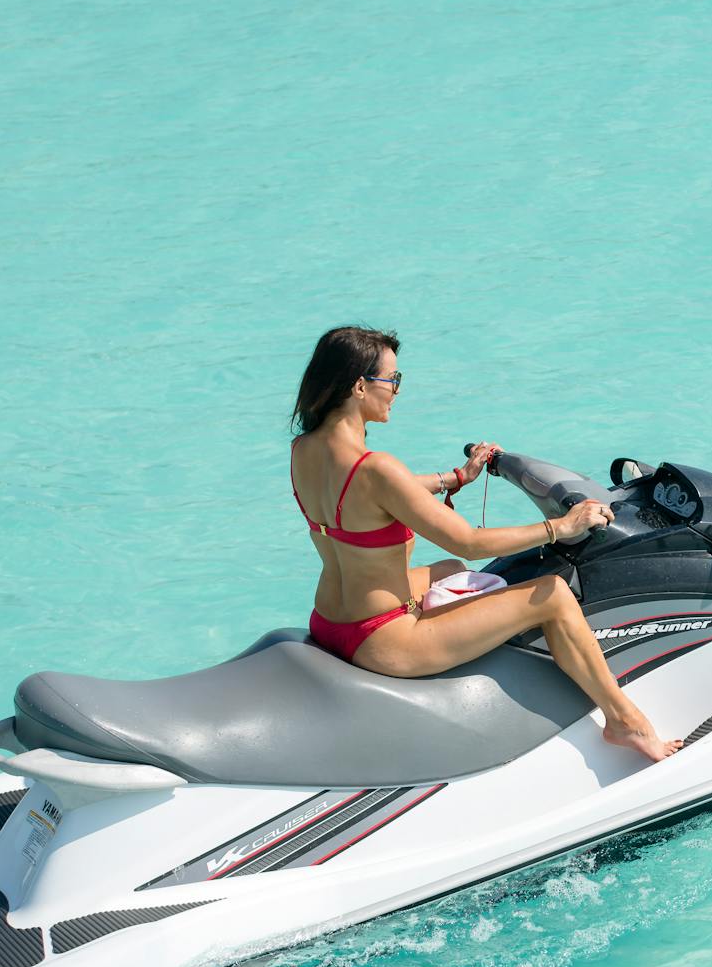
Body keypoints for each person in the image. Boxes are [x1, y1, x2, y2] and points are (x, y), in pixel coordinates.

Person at [289, 326, 682, 762]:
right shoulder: (377, 468)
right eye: (393, 380)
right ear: (360, 386)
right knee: (552, 594)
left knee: (451, 571)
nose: (397, 391)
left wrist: (456, 478)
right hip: (383, 640)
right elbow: (471, 540)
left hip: (330, 620)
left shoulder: (305, 449)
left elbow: (374, 496)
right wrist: (564, 526)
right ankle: (625, 722)